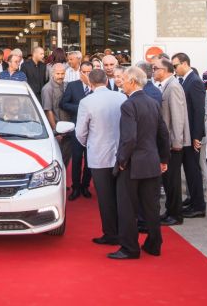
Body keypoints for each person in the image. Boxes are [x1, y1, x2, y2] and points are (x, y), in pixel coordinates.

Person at [110, 67, 170, 259]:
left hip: (133, 165)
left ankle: (129, 248)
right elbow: (163, 133)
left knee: (127, 207)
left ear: (133, 82)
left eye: (124, 79)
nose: (121, 82)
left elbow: (129, 139)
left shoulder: (129, 105)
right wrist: (163, 159)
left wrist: (121, 161)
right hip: (151, 162)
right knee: (151, 207)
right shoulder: (153, 102)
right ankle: (154, 244)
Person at [75, 69, 127, 246]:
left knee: (105, 198)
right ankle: (123, 231)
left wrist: (88, 143)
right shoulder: (121, 97)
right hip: (121, 153)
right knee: (121, 196)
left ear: (90, 83)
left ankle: (111, 234)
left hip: (99, 154)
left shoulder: (86, 102)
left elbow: (80, 132)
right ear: (106, 81)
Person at [154, 58, 190, 226]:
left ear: (166, 70)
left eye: (156, 68)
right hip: (168, 142)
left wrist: (177, 143)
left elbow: (178, 117)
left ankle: (176, 215)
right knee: (168, 180)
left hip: (173, 144)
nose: (153, 71)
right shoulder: (167, 86)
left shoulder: (173, 87)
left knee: (173, 180)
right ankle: (170, 210)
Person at [171, 53, 207, 218]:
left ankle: (198, 205)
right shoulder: (185, 80)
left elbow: (199, 111)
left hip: (193, 135)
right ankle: (193, 199)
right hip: (187, 135)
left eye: (175, 65)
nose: (174, 69)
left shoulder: (195, 82)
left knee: (193, 170)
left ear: (184, 63)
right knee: (189, 170)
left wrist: (197, 137)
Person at [61, 61, 93, 200]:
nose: (86, 74)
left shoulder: (97, 87)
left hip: (93, 130)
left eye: (89, 72)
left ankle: (85, 185)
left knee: (90, 160)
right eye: (84, 72)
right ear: (79, 72)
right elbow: (63, 103)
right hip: (77, 127)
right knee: (77, 159)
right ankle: (76, 187)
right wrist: (81, 108)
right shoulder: (73, 86)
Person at [42, 63, 69, 165]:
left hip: (67, 127)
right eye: (58, 74)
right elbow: (48, 110)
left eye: (62, 73)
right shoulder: (47, 89)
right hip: (57, 129)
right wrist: (55, 131)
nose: (60, 76)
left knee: (66, 156)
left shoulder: (66, 85)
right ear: (52, 74)